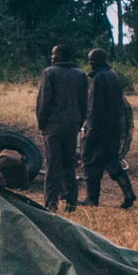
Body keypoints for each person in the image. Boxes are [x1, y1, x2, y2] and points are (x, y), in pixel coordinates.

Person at [81, 48, 136, 208]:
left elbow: (94, 108)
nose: (90, 63)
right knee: (111, 160)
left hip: (99, 128)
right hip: (113, 127)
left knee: (90, 160)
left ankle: (92, 198)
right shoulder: (113, 75)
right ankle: (128, 193)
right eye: (89, 59)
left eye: (93, 59)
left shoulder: (99, 78)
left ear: (101, 59)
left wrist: (90, 130)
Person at [35, 43, 87, 211]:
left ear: (58, 56)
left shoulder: (49, 73)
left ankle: (51, 204)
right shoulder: (80, 75)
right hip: (72, 126)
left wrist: (42, 123)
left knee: (52, 165)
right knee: (69, 164)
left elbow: (44, 101)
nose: (51, 57)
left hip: (53, 127)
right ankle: (72, 202)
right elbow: (84, 103)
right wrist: (79, 123)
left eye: (53, 54)